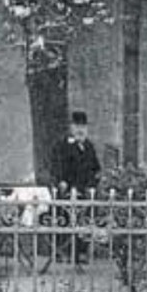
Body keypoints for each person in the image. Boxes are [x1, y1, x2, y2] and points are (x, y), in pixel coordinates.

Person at [49, 110, 101, 263]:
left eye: (83, 126)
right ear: (71, 127)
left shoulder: (89, 146)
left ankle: (81, 252)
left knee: (85, 219)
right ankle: (62, 250)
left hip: (84, 190)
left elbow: (95, 168)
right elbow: (56, 166)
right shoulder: (62, 145)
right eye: (77, 126)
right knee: (64, 218)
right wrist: (61, 181)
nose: (80, 129)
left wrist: (92, 183)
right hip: (67, 190)